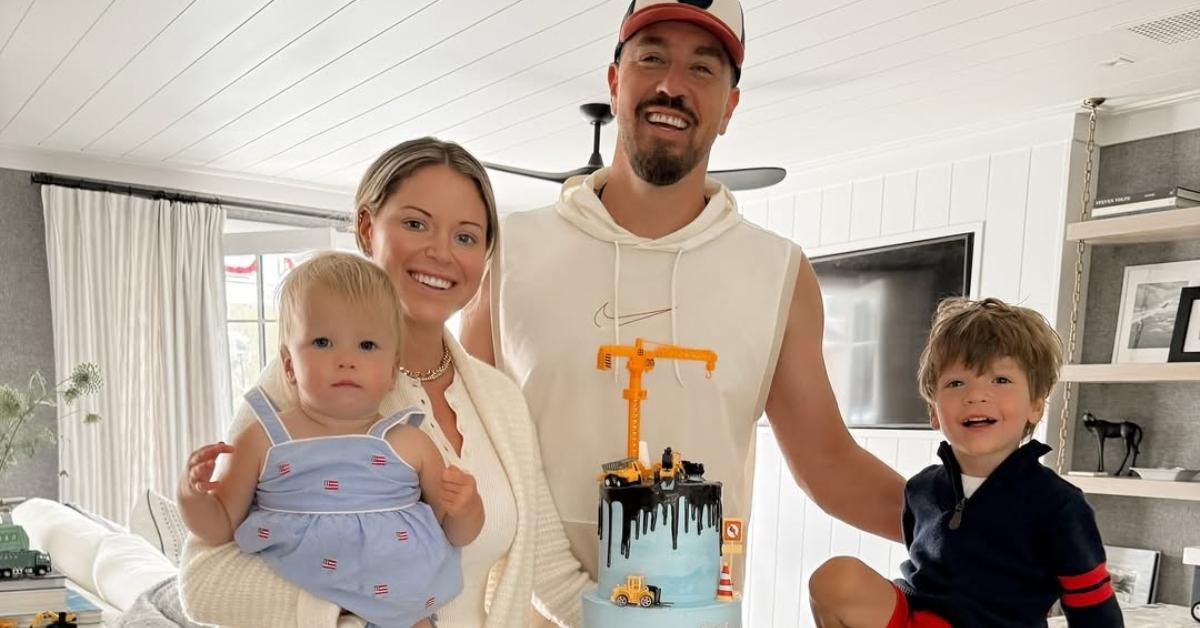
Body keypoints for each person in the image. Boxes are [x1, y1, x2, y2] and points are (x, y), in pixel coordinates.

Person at [461, 0, 905, 580]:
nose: (672, 85)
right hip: (528, 611)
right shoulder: (510, 251)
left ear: (729, 106)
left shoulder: (778, 274)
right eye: (652, 58)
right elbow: (460, 437)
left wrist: (984, 526)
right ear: (615, 81)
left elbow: (829, 464)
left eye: (703, 68)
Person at [179, 138, 591, 628]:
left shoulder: (500, 398)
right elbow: (204, 581)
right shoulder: (306, 388)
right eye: (416, 224)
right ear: (366, 227)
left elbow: (548, 568)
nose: (441, 253)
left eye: (466, 237)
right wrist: (355, 618)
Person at [179, 252, 479, 628]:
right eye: (322, 342)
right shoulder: (264, 440)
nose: (346, 359)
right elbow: (219, 527)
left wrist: (466, 508)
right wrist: (192, 497)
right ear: (289, 365)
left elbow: (457, 534)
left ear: (392, 370)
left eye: (367, 346)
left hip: (404, 617)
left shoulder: (409, 442)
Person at [808, 297, 1123, 628]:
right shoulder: (921, 489)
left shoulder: (1059, 505)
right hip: (917, 617)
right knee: (835, 578)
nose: (976, 395)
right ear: (933, 411)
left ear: (1035, 405)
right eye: (956, 383)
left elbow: (1094, 611)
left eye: (1000, 380)